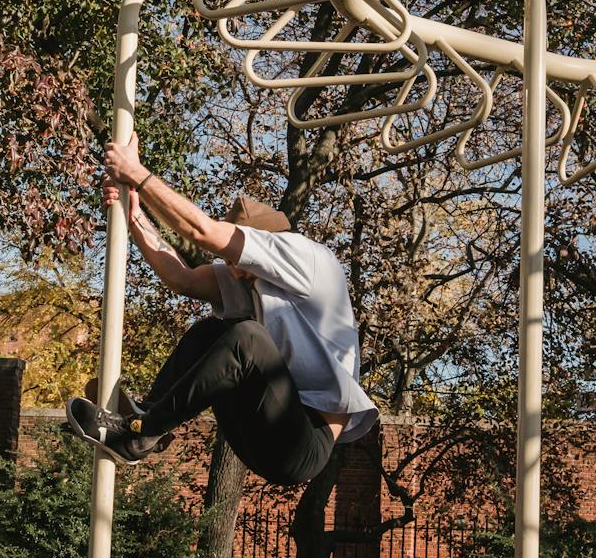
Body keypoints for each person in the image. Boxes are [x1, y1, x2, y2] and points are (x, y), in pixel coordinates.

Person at [64, 135, 377, 486]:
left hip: (304, 443)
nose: (232, 270)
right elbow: (180, 278)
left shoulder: (306, 258)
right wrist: (134, 214)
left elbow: (203, 231)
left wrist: (137, 173)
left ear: (261, 246)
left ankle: (139, 434)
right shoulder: (246, 280)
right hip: (258, 432)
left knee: (246, 338)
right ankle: (146, 418)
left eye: (236, 260)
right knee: (212, 332)